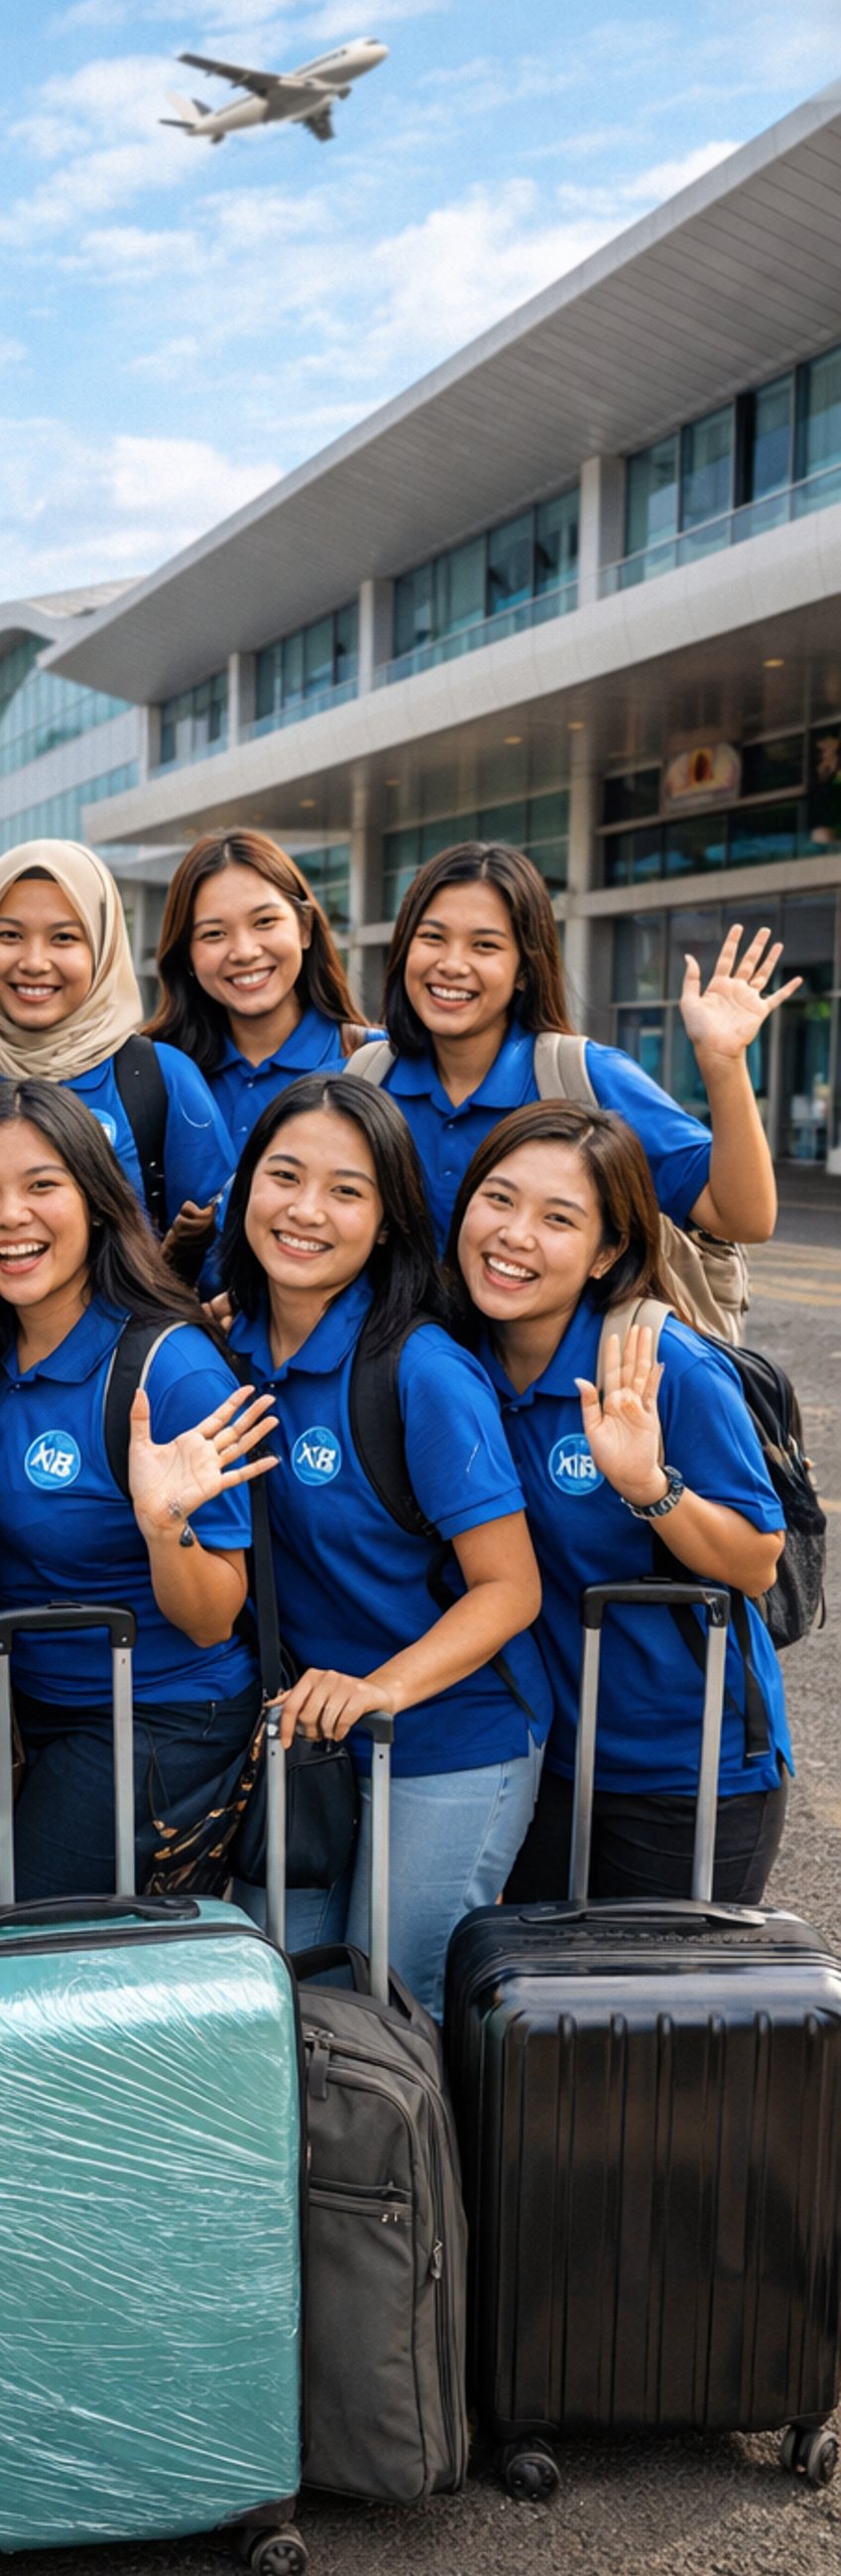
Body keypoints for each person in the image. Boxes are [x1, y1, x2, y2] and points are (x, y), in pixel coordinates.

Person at [217, 1074, 547, 2014]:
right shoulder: (226, 1347)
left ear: (389, 1220)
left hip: (450, 1734)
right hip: (310, 1739)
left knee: (392, 2002)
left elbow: (509, 1588)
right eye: (284, 1176)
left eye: (347, 1191)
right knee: (280, 1995)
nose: (305, 1211)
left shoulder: (424, 1370)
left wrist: (379, 1690)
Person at [0, 1078, 276, 1907]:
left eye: (42, 1185)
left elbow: (212, 1619)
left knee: (12, 1938)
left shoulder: (170, 1371)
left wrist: (165, 1527)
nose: (10, 1216)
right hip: (22, 1703)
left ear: (98, 1201)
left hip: (158, 1711)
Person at [448, 1098, 792, 1904]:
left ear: (607, 1252)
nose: (515, 1235)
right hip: (538, 1758)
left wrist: (650, 1488)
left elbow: (756, 1563)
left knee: (657, 1985)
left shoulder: (661, 1364)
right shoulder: (452, 1354)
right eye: (498, 1199)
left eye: (558, 1219)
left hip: (685, 1770)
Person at [353, 839, 795, 1253]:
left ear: (524, 970)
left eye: (485, 945)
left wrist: (723, 1063)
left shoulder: (588, 1078)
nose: (452, 964)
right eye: (432, 937)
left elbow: (745, 1220)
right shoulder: (364, 1080)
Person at [0, 837, 234, 1234]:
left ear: (103, 948)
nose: (34, 962)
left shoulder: (158, 1078)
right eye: (9, 935)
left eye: (64, 938)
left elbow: (219, 1244)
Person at [147, 828, 367, 1159]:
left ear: (305, 927)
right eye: (214, 934)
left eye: (264, 921)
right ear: (186, 955)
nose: (244, 952)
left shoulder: (377, 1063)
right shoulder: (150, 1074)